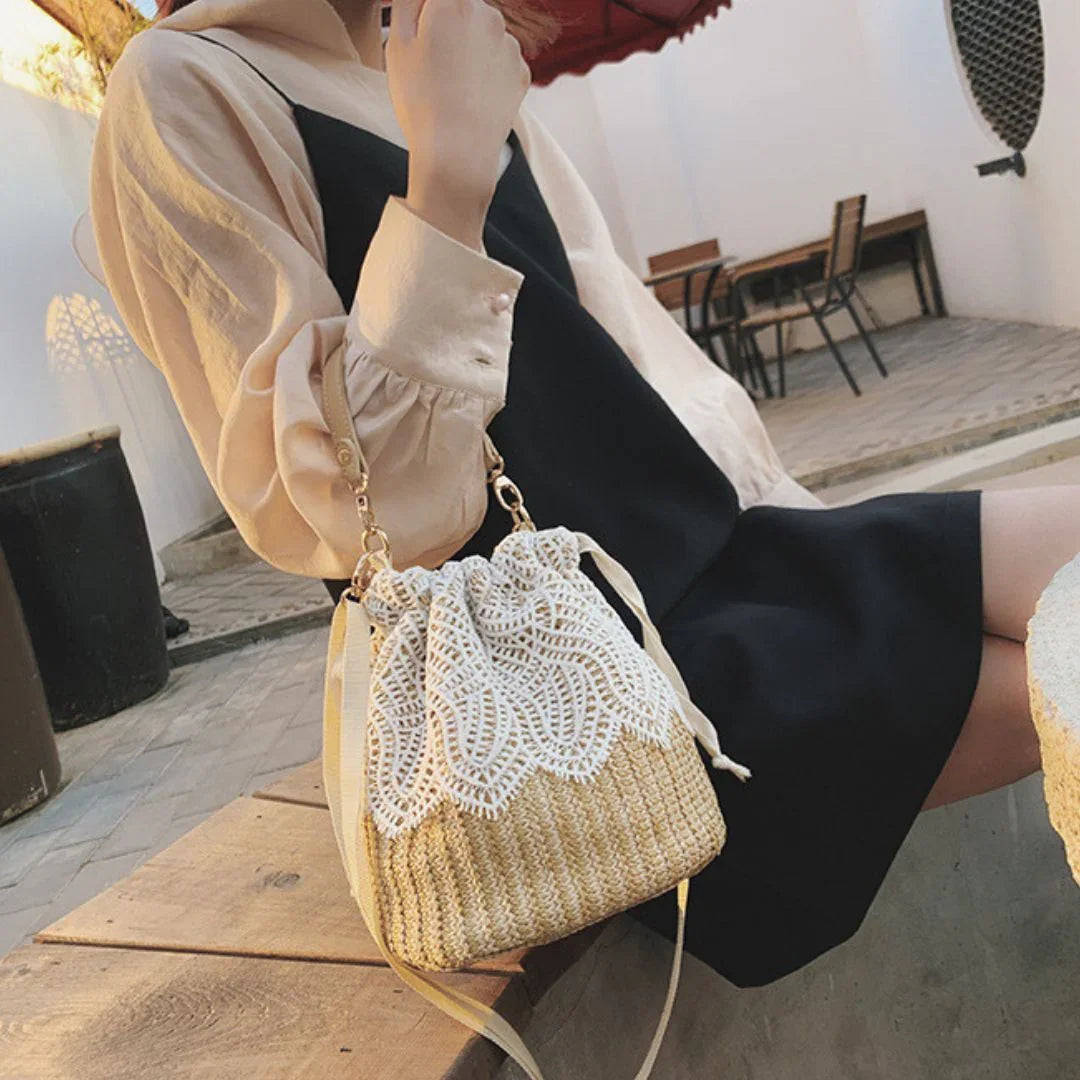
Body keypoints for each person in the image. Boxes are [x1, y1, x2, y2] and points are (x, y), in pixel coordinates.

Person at [89, 0, 1078, 987]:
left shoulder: (444, 51)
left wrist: (810, 528)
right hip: (582, 674)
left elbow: (626, 349)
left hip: (722, 555)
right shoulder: (183, 86)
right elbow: (364, 515)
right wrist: (445, 178)